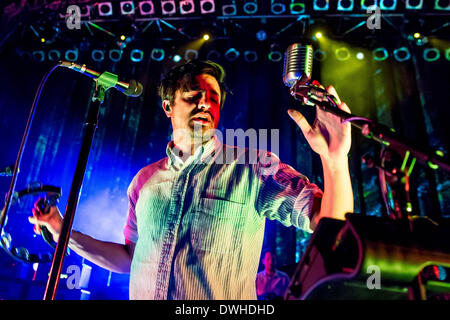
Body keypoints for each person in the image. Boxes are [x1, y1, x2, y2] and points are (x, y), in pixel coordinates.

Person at [29, 60, 353, 300]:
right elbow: (129, 258)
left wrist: (335, 160)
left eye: (213, 97)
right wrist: (62, 232)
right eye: (193, 94)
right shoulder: (144, 181)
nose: (205, 102)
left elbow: (332, 224)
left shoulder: (253, 166)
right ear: (168, 106)